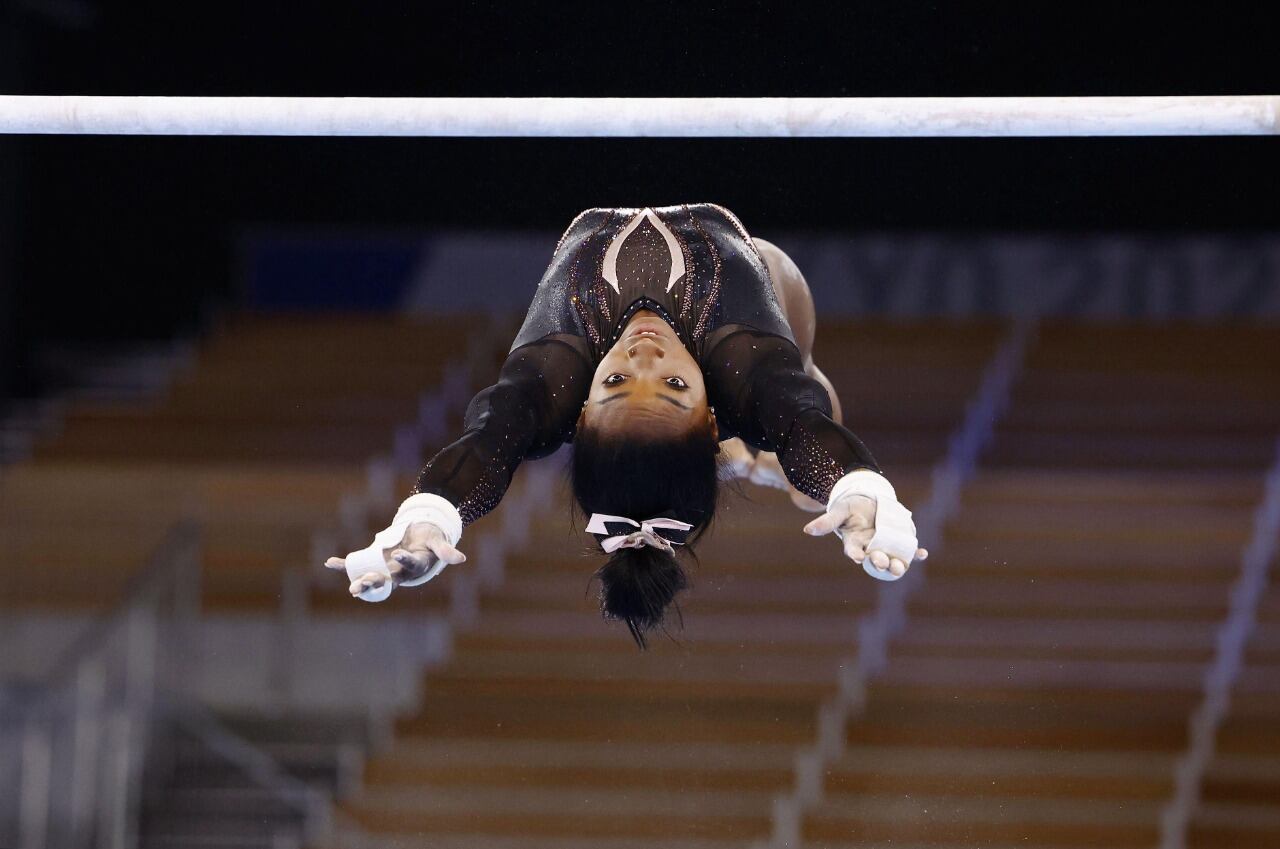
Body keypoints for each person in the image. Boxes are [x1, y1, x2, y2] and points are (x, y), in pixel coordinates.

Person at [325, 203, 927, 647]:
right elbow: (802, 423)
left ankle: (756, 464)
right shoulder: (739, 367)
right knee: (796, 426)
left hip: (703, 408)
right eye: (674, 387)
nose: (643, 356)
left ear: (580, 412)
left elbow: (488, 443)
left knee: (788, 448)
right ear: (712, 417)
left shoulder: (553, 380)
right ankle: (774, 468)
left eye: (613, 383)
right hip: (766, 292)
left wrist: (426, 518)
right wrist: (864, 489)